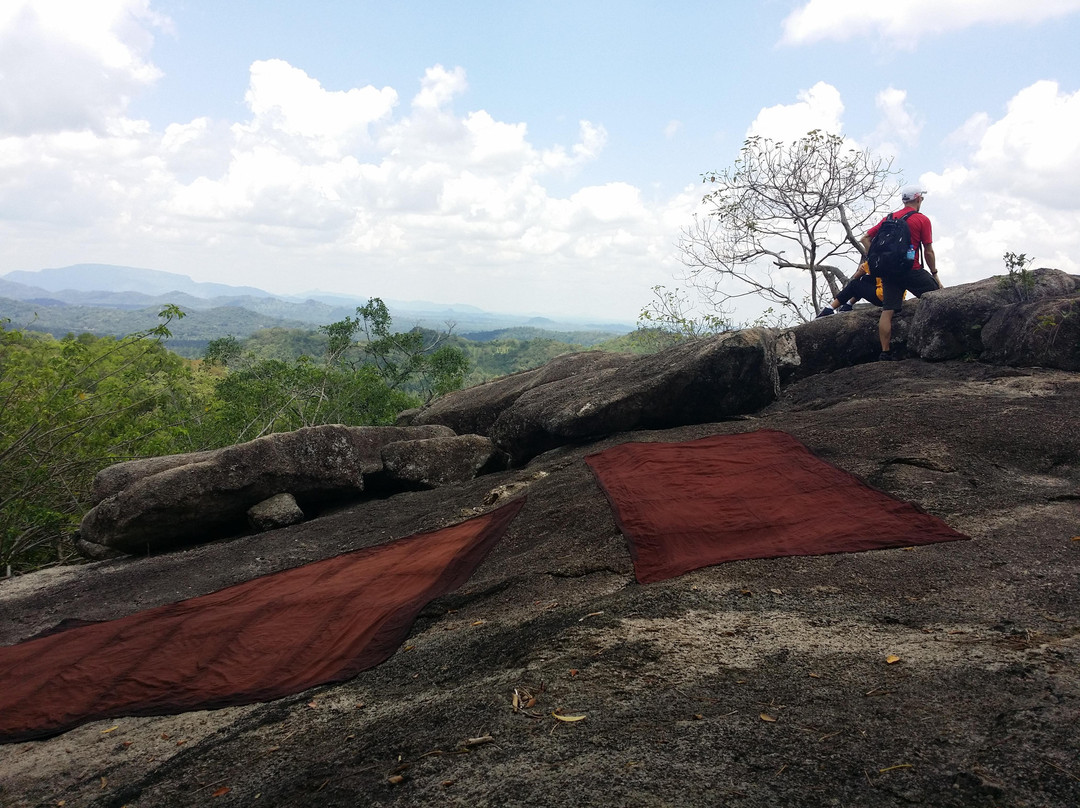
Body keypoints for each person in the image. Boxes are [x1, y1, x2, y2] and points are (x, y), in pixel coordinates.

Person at [860, 185, 942, 361]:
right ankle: (939, 343)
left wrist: (876, 259)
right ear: (918, 199)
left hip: (890, 272)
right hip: (911, 270)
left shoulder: (889, 218)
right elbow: (928, 251)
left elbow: (865, 238)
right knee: (938, 299)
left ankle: (885, 352)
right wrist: (934, 274)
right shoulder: (922, 220)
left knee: (887, 310)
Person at [816, 260, 897, 317]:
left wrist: (861, 268)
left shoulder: (876, 258)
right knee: (866, 279)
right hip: (897, 298)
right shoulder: (895, 257)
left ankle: (829, 309)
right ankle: (848, 305)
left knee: (855, 284)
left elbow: (856, 276)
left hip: (882, 298)